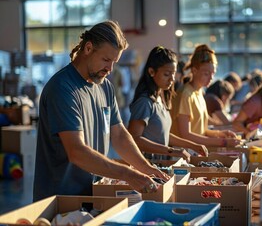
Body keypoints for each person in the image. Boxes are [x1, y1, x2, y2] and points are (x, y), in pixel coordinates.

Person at [33, 20, 168, 202]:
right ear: (88, 48)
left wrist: (145, 167)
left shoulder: (105, 87)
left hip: (93, 193)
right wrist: (127, 173)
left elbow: (119, 135)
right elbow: (76, 151)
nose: (110, 69)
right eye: (106, 60)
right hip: (61, 199)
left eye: (114, 62)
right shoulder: (63, 88)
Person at [127, 46, 208, 162]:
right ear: (151, 72)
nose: (172, 79)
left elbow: (164, 135)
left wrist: (193, 145)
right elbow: (134, 139)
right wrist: (171, 151)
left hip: (161, 163)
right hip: (146, 165)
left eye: (173, 74)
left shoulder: (161, 98)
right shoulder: (144, 102)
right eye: (166, 74)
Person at [170, 44, 240, 147]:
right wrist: (222, 142)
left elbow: (200, 130)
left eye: (213, 73)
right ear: (194, 70)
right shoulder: (185, 94)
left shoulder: (199, 93)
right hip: (182, 154)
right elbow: (185, 135)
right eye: (206, 74)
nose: (211, 78)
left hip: (195, 151)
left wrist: (220, 134)